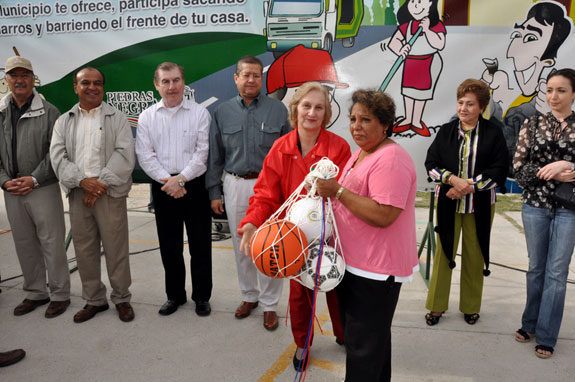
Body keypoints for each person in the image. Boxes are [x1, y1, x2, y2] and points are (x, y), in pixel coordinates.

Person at [238, 81, 349, 371]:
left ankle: (344, 334)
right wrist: (251, 223)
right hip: (295, 237)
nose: (312, 112)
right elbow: (265, 194)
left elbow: (346, 194)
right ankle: (303, 343)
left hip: (332, 235)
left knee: (339, 287)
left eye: (319, 108)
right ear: (295, 109)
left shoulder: (338, 148)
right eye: (306, 106)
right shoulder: (280, 148)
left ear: (326, 115)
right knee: (301, 294)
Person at [315, 89, 418, 382]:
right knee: (370, 348)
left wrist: (337, 190)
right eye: (353, 119)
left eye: (366, 119)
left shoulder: (391, 158)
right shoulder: (361, 153)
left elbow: (384, 214)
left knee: (363, 351)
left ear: (385, 124)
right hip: (356, 265)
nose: (356, 126)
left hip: (376, 272)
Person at [206, 56, 290, 329]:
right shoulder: (222, 112)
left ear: (261, 78)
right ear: (236, 78)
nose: (251, 80)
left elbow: (289, 153)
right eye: (246, 75)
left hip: (271, 187)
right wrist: (214, 192)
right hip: (235, 184)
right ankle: (249, 296)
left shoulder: (278, 110)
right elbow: (215, 156)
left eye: (256, 75)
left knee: (271, 247)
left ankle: (269, 304)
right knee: (242, 246)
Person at [50, 67, 136, 323]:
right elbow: (58, 157)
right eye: (85, 83)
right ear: (75, 88)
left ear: (103, 87)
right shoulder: (64, 121)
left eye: (97, 83)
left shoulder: (117, 118)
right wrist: (82, 182)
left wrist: (100, 184)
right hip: (79, 195)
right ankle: (94, 300)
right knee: (84, 250)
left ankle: (121, 298)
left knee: (116, 249)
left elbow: (124, 154)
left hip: (109, 195)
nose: (92, 87)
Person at [424, 79, 508, 326]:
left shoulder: (493, 133)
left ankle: (471, 307)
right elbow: (431, 164)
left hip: (480, 206)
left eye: (470, 104)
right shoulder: (446, 131)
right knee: (444, 253)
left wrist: (466, 187)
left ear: (481, 107)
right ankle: (437, 306)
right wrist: (450, 179)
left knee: (475, 254)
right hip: (448, 203)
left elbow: (499, 169)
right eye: (461, 103)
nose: (463, 108)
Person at [136, 62, 212, 317]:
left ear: (184, 82)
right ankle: (174, 296)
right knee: (170, 247)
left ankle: (202, 297)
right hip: (163, 188)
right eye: (165, 82)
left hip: (194, 185)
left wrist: (180, 179)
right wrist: (168, 181)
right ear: (156, 85)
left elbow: (202, 154)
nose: (172, 86)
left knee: (200, 245)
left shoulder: (200, 113)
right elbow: (145, 156)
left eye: (176, 80)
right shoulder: (147, 117)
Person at [0, 56, 71, 318]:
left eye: (25, 75)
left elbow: (56, 154)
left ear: (33, 79)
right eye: (13, 75)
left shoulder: (50, 112)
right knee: (24, 243)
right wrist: (4, 181)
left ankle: (60, 294)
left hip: (42, 187)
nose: (19, 80)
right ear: (6, 79)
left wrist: (34, 179)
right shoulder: (0, 111)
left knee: (52, 242)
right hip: (12, 190)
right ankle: (35, 293)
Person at [513, 68, 575, 359]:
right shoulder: (532, 123)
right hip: (535, 206)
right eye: (550, 89)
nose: (554, 96)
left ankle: (547, 335)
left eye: (561, 90)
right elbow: (519, 170)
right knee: (536, 268)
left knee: (557, 273)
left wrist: (565, 165)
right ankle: (530, 323)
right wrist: (550, 172)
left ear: (573, 94)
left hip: (569, 209)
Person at [387, 0, 446, 137]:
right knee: (408, 92)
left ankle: (416, 120)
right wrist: (401, 49)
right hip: (411, 63)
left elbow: (439, 44)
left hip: (428, 63)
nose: (415, 5)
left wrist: (426, 30)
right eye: (412, 1)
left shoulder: (436, 25)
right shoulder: (407, 26)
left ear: (431, 4)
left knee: (421, 93)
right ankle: (408, 119)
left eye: (420, 2)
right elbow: (393, 42)